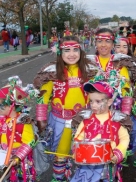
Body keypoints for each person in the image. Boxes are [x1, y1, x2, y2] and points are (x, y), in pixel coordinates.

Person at [33, 36, 95, 182]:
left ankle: (81, 177)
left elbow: (99, 93)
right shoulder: (52, 71)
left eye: (75, 50)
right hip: (60, 120)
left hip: (84, 120)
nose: (72, 54)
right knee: (60, 153)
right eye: (67, 50)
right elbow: (43, 96)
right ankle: (58, 177)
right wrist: (41, 119)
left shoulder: (90, 69)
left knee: (83, 152)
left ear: (81, 51)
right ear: (60, 52)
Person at [71, 81, 130, 182]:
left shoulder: (117, 120)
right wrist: (77, 150)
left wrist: (118, 153)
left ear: (109, 102)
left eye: (98, 102)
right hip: (88, 161)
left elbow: (124, 139)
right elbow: (78, 137)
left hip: (108, 162)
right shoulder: (86, 118)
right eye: (91, 101)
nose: (93, 105)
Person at [0, 76, 39, 181]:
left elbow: (30, 141)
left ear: (12, 106)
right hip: (4, 156)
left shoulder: (23, 122)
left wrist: (18, 156)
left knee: (23, 178)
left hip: (21, 159)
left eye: (1, 106)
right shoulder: (3, 119)